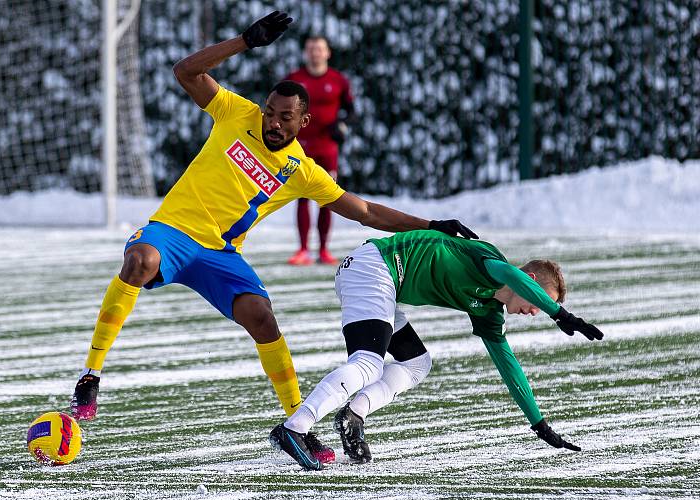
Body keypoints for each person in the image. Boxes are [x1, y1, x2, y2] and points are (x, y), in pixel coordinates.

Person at [69, 12, 477, 463]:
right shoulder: (234, 112)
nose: (272, 123)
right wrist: (244, 41)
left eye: (285, 117)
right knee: (139, 261)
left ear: (303, 122)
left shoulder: (302, 171)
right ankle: (90, 375)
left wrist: (431, 225)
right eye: (269, 112)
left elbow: (365, 212)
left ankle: (298, 423)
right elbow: (185, 71)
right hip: (172, 232)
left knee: (261, 316)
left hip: (219, 253)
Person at [270, 229, 604, 470]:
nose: (536, 311)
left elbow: (508, 364)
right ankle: (295, 428)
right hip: (374, 267)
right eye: (539, 300)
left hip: (378, 277)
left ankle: (352, 416)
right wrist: (559, 313)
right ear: (528, 279)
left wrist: (539, 424)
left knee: (417, 363)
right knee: (369, 364)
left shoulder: (488, 312)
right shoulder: (490, 260)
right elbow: (509, 275)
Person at [285, 36, 354, 266]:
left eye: (320, 49)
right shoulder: (295, 79)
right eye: (311, 49)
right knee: (302, 196)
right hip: (300, 148)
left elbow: (350, 109)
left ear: (327, 53)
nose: (315, 53)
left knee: (327, 198)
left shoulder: (338, 80)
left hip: (327, 149)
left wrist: (342, 125)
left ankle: (324, 250)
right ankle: (303, 250)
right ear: (306, 53)